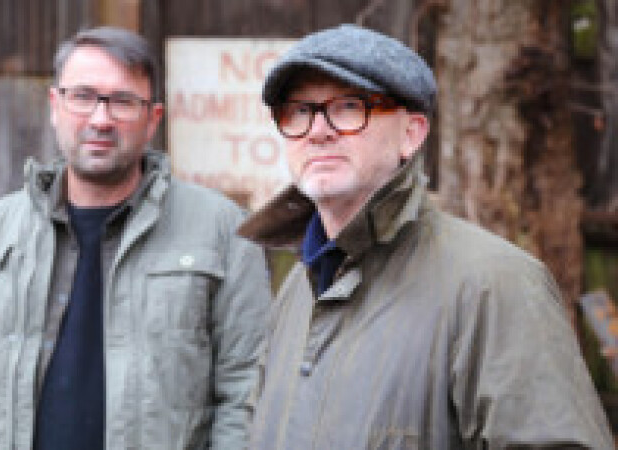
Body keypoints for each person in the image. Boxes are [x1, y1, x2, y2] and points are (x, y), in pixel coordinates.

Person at [239, 24, 613, 449]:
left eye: (348, 107)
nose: (317, 130)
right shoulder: (297, 291)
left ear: (411, 134)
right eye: (298, 111)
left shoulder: (494, 285)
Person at [0, 26, 270, 449]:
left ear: (153, 120)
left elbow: (246, 393)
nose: (101, 119)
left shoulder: (221, 230)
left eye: (123, 101)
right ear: (55, 106)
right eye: (83, 96)